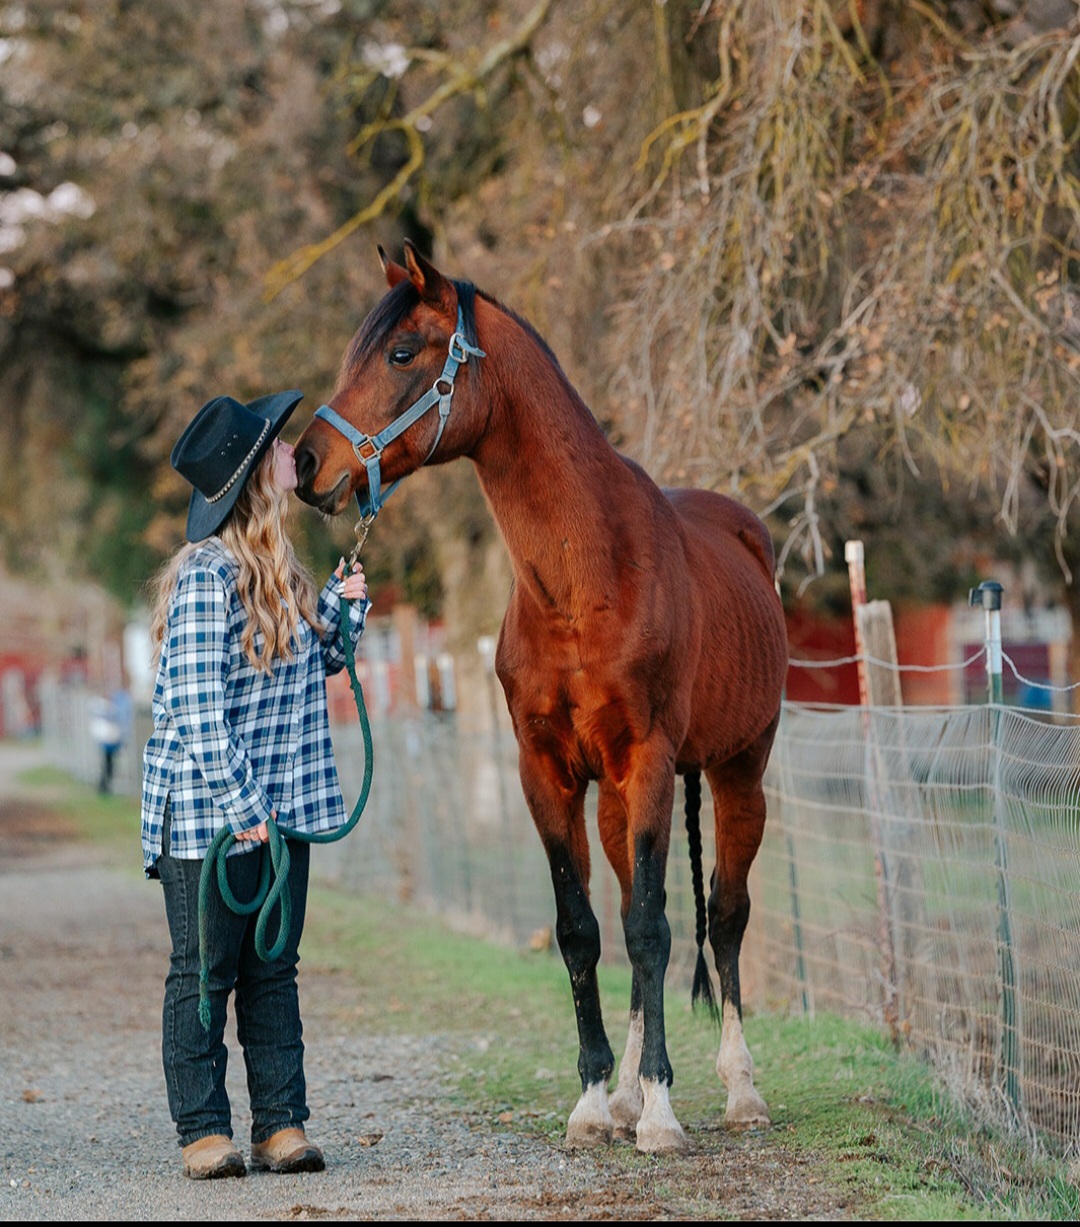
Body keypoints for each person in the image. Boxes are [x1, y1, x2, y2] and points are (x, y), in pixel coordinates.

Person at [141, 389, 369, 1180]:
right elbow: (198, 710)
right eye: (278, 445)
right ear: (253, 475)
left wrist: (344, 612)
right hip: (210, 816)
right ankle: (204, 1129)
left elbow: (320, 667)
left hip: (281, 813)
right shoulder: (207, 579)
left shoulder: (286, 578)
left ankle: (281, 1123)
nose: (291, 453)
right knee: (204, 973)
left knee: (273, 969)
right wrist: (243, 809)